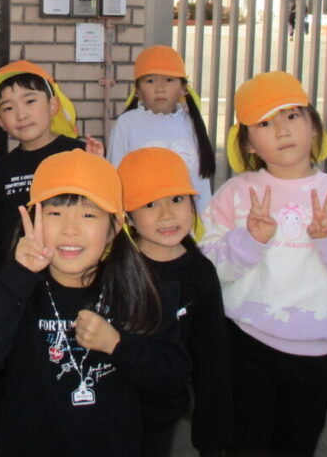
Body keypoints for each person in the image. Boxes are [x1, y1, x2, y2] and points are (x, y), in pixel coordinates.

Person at [0, 149, 190, 457]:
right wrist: (17, 276)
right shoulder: (14, 289)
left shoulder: (140, 291)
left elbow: (171, 379)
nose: (70, 229)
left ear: (114, 228)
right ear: (33, 219)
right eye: (55, 213)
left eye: (89, 215)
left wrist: (118, 345)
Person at [201, 71, 327, 457]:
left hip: (315, 358)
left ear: (313, 126)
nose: (282, 130)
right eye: (265, 123)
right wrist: (249, 240)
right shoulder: (234, 195)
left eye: (291, 115)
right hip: (244, 347)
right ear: (248, 143)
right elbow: (207, 272)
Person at [118, 147, 231, 457]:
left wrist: (212, 434)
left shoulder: (200, 272)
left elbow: (211, 356)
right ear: (127, 216)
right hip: (114, 407)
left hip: (164, 410)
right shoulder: (117, 268)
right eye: (150, 203)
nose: (167, 214)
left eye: (177, 199)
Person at [0, 60, 83, 271]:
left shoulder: (78, 154)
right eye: (8, 108)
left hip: (71, 272)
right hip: (18, 276)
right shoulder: (1, 169)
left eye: (30, 101)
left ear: (53, 106)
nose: (21, 114)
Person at [107, 46, 215, 215]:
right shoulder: (127, 123)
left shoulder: (191, 123)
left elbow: (201, 181)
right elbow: (115, 175)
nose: (160, 88)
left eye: (169, 80)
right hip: (143, 216)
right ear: (137, 90)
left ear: (183, 88)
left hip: (185, 218)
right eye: (150, 81)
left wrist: (206, 221)